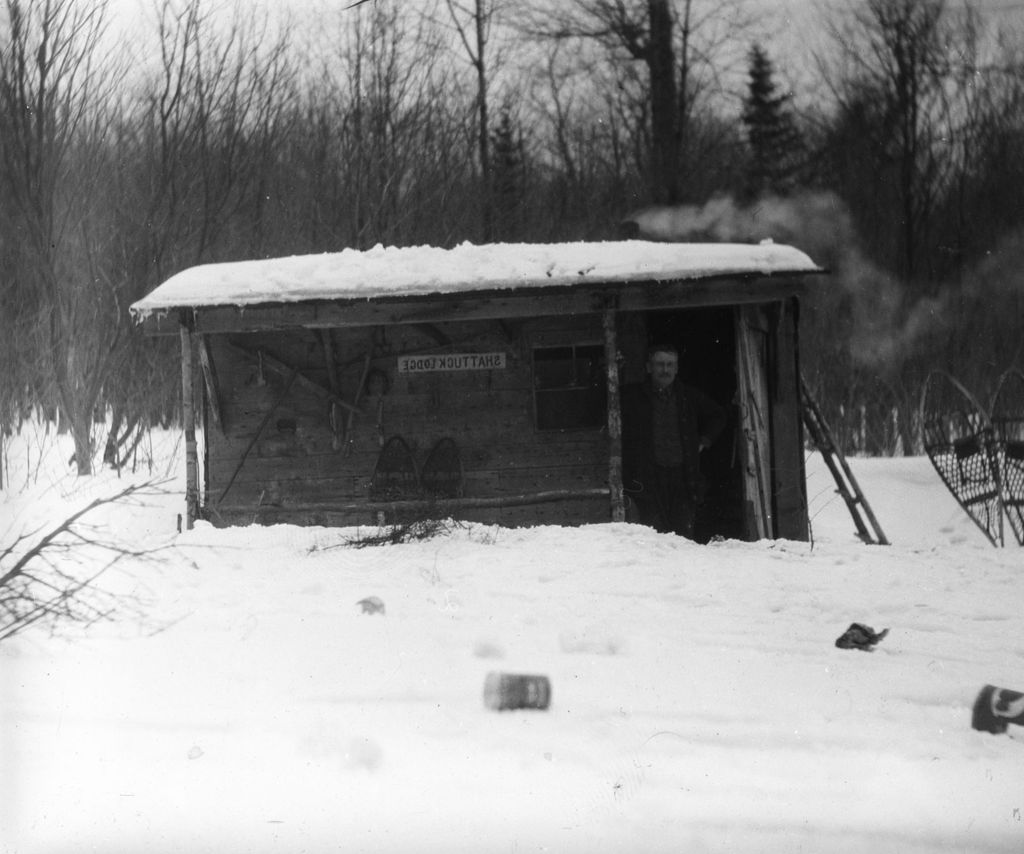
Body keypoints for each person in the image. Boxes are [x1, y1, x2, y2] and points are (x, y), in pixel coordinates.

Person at [621, 343, 726, 538]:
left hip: (682, 478)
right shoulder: (632, 397)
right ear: (649, 367)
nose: (665, 370)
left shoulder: (688, 397)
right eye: (660, 364)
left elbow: (718, 415)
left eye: (670, 365)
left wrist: (704, 440)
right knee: (653, 536)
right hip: (649, 479)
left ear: (677, 369)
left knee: (683, 536)